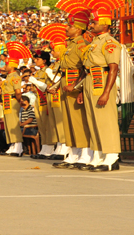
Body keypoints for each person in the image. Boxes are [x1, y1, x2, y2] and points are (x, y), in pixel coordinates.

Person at [81, 6, 122, 172]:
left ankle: (112, 156)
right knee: (93, 119)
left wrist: (106, 92)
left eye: (95, 22)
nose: (91, 25)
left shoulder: (110, 43)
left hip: (102, 78)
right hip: (91, 79)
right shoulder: (94, 42)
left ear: (105, 24)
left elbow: (113, 68)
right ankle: (98, 154)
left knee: (106, 119)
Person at [53, 11, 94, 170]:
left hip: (75, 85)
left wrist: (79, 88)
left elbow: (85, 68)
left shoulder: (82, 45)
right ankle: (74, 152)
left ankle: (86, 153)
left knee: (79, 120)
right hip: (66, 83)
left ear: (78, 29)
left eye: (70, 25)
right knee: (69, 120)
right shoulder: (70, 44)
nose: (66, 28)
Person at [0, 51, 24, 157]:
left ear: (12, 65)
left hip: (12, 100)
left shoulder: (15, 76)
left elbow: (18, 92)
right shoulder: (9, 76)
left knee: (13, 123)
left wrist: (18, 101)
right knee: (8, 123)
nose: (5, 66)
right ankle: (12, 145)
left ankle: (18, 146)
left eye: (7, 64)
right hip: (6, 101)